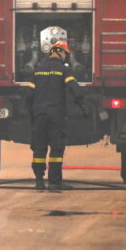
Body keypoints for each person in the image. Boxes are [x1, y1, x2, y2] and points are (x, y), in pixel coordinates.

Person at [26, 41, 89, 191]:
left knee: (39, 148)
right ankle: (54, 182)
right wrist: (82, 105)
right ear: (62, 53)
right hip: (56, 115)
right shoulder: (63, 70)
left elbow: (29, 95)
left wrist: (32, 113)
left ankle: (39, 181)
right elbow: (75, 89)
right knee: (56, 147)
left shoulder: (38, 70)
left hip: (40, 114)